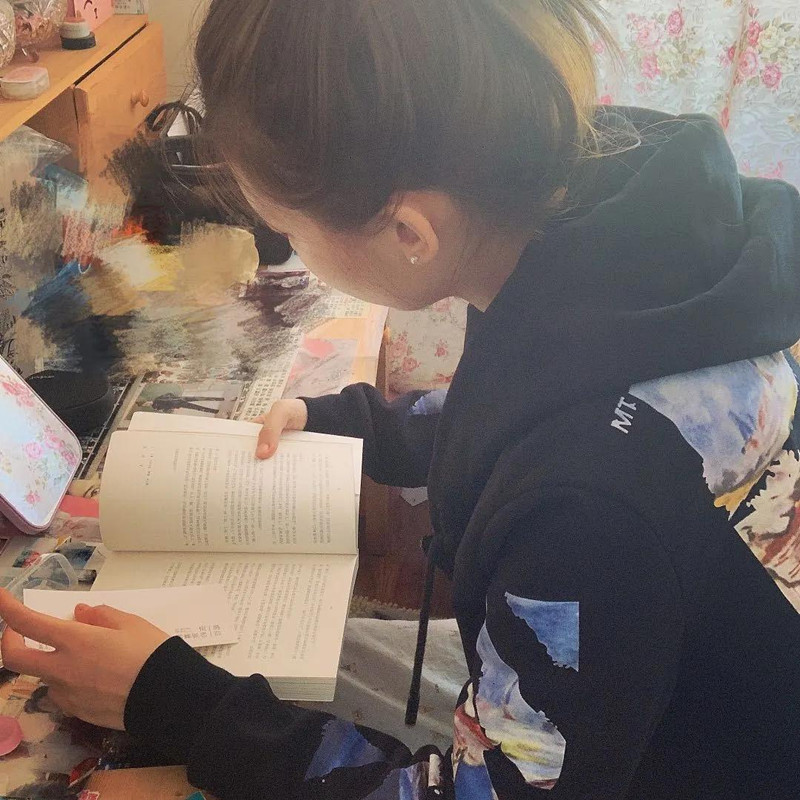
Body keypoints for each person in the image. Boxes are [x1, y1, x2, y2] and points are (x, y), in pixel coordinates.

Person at [2, 0, 800, 797]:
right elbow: (537, 399)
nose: (293, 256)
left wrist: (174, 701)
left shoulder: (581, 511)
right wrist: (359, 423)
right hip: (657, 682)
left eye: (289, 233)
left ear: (411, 234)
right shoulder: (602, 205)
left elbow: (486, 792)